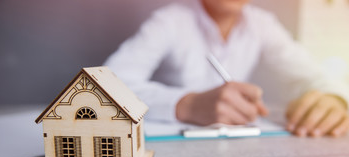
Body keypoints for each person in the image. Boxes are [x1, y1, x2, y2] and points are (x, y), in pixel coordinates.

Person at [104, 0, 349, 137]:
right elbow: (106, 85)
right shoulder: (169, 20)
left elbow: (316, 75)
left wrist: (334, 99)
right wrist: (185, 104)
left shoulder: (263, 24)